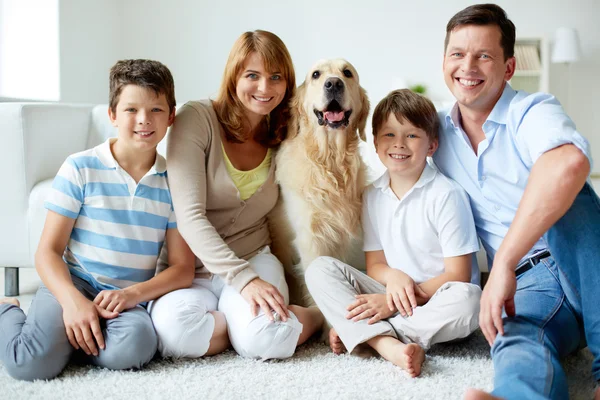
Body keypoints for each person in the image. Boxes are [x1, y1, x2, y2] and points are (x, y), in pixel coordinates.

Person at [434, 4, 599, 399]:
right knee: (514, 335)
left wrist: (503, 263)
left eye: (483, 55)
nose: (467, 66)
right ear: (444, 61)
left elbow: (569, 163)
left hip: (584, 257)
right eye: (457, 54)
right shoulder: (432, 132)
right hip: (532, 285)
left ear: (508, 68)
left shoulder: (533, 109)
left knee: (572, 193)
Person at [0, 59, 196, 381]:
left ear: (171, 116)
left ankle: (71, 340)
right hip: (74, 284)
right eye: (131, 109)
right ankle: (8, 310)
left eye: (156, 110)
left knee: (136, 347)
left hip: (126, 297)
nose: (144, 120)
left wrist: (133, 295)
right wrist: (74, 303)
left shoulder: (173, 181)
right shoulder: (81, 168)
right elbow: (47, 252)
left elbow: (182, 268)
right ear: (112, 115)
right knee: (29, 363)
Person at [149, 30, 324, 360]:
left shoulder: (286, 132)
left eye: (276, 77)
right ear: (233, 77)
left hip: (254, 257)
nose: (264, 88)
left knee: (270, 343)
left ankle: (315, 316)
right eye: (252, 76)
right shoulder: (196, 119)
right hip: (193, 268)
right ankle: (239, 329)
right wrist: (245, 282)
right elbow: (189, 216)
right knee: (173, 336)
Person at [305, 89, 482, 377]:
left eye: (412, 135)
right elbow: (375, 265)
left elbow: (458, 274)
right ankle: (387, 344)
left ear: (432, 145)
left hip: (436, 299)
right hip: (392, 294)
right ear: (375, 143)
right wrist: (392, 280)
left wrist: (390, 304)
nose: (399, 144)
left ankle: (370, 337)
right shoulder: (372, 195)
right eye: (389, 135)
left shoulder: (447, 195)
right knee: (319, 269)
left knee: (471, 301)